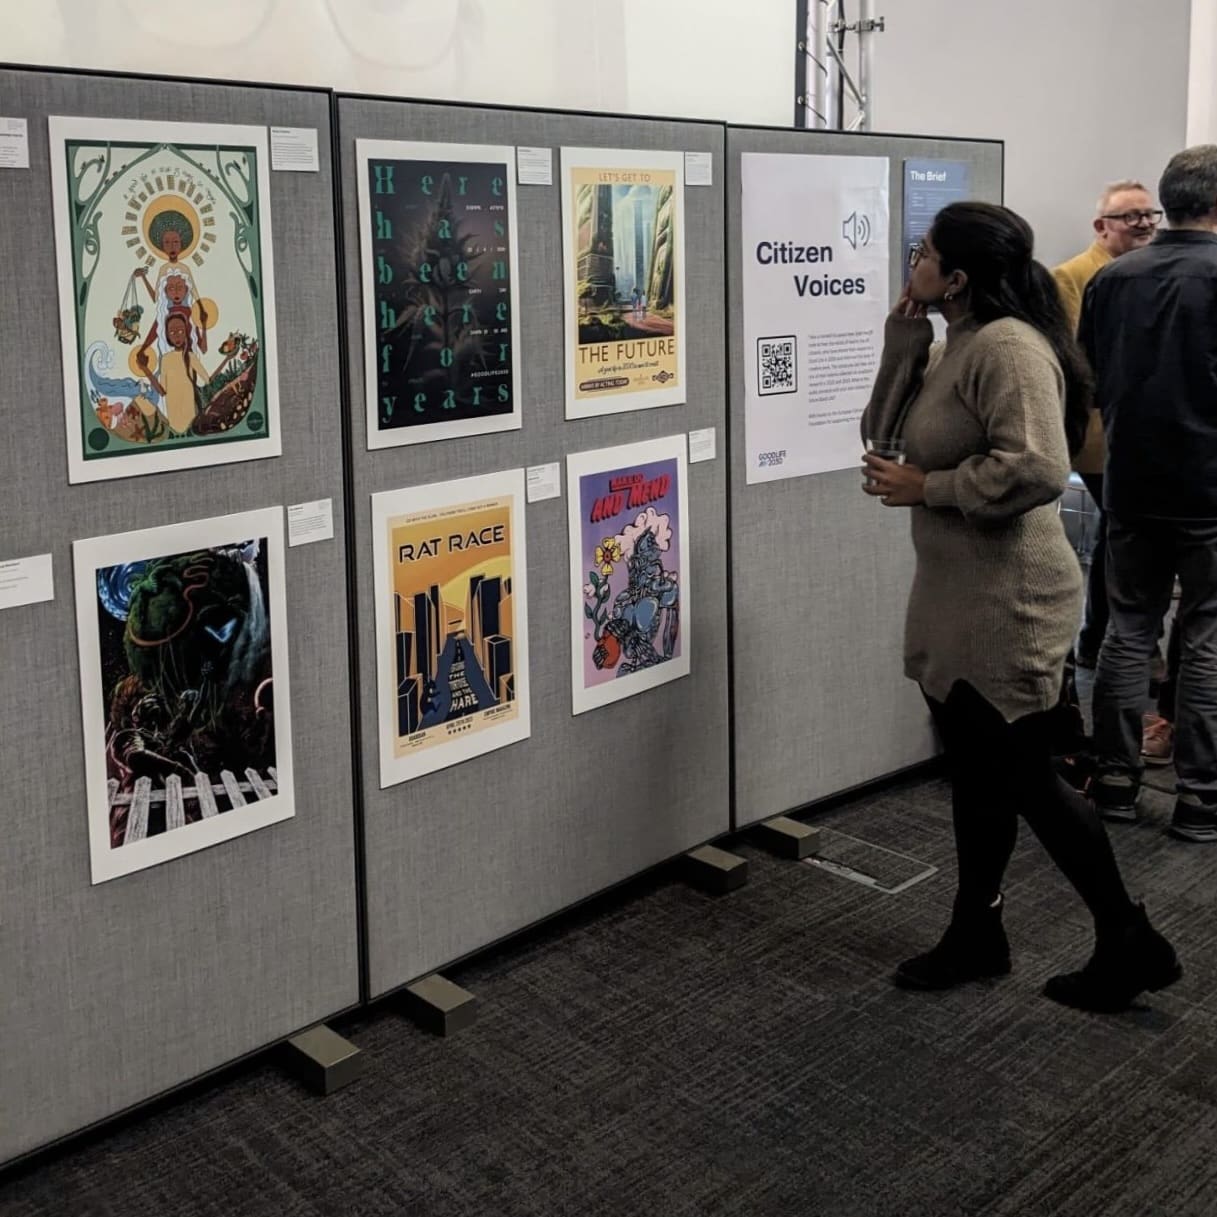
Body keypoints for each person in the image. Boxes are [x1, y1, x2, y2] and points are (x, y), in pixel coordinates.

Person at [861, 202, 1179, 1013]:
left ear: (958, 278)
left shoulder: (1005, 346)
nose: (912, 262)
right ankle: (977, 931)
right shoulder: (955, 341)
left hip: (1008, 596)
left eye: (924, 254)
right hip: (955, 589)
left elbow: (1039, 467)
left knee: (1024, 776)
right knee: (978, 772)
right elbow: (880, 438)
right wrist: (905, 341)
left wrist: (929, 488)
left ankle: (1126, 937)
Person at [1082, 146, 1217, 842]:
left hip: (1130, 485)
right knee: (1204, 637)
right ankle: (1199, 800)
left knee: (1125, 630)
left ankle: (1113, 784)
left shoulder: (1113, 278)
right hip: (1207, 492)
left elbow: (1093, 379)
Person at [1053, 181, 1161, 668]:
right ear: (1101, 227)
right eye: (1129, 216)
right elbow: (1076, 359)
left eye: (1148, 214)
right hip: (1098, 436)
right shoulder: (1072, 277)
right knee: (1118, 536)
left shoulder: (1150, 274)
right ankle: (1100, 642)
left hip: (1137, 434)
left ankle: (1101, 641)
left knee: (1117, 537)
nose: (1142, 224)